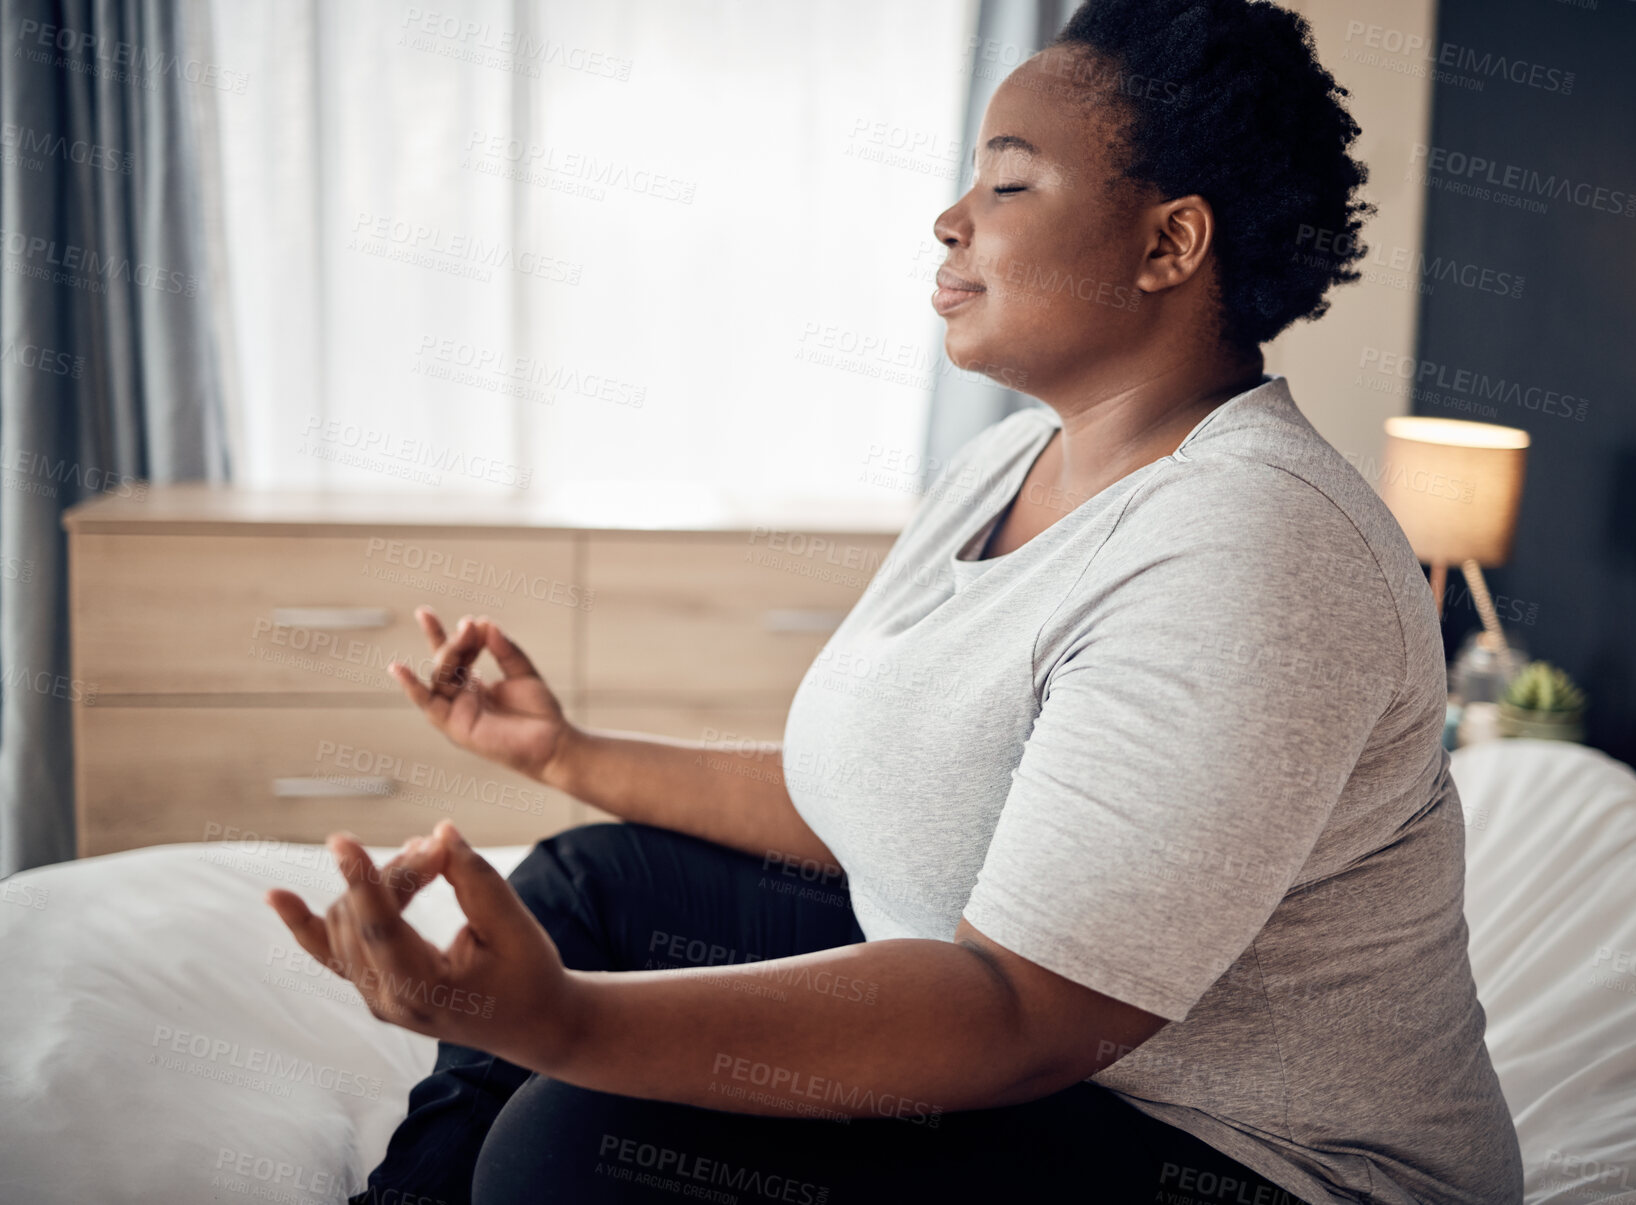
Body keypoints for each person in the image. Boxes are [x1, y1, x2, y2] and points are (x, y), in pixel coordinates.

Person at [267, 1, 1525, 1200]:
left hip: (1236, 1153)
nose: (948, 219)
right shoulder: (1006, 461)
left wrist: (569, 1024)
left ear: (1168, 243)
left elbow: (1029, 1014)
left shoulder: (1256, 546)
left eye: (1007, 184)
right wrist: (563, 750)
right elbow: (878, 794)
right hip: (1025, 1028)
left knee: (578, 1142)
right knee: (593, 887)